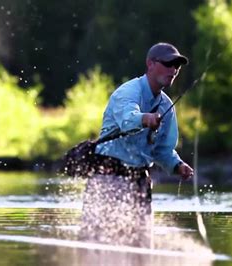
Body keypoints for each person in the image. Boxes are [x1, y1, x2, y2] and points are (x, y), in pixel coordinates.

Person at [79, 42, 194, 247]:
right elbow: (126, 118)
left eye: (177, 66)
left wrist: (177, 165)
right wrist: (144, 119)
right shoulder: (128, 92)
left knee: (141, 246)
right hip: (108, 177)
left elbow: (162, 150)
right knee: (97, 244)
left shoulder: (166, 105)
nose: (173, 70)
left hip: (140, 182)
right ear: (150, 64)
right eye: (168, 64)